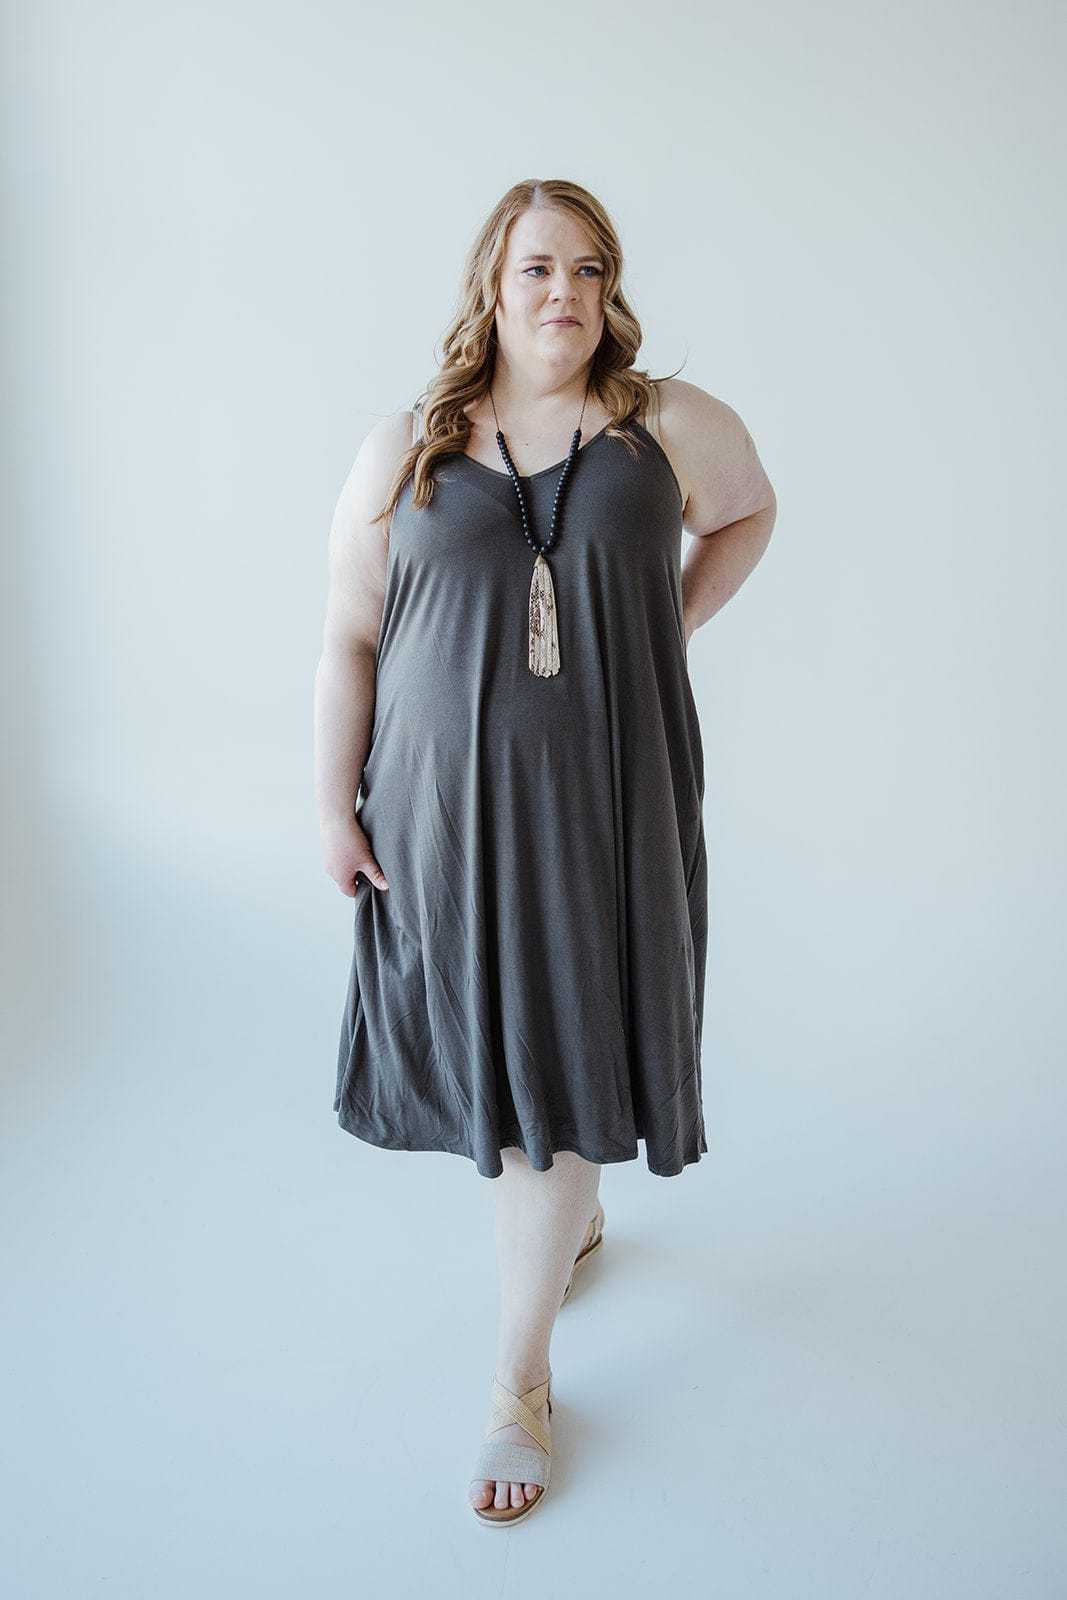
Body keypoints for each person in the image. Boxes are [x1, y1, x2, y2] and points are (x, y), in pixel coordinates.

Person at [313, 178, 776, 1526]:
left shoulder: (664, 426)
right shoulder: (406, 444)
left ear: (609, 290)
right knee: (501, 1046)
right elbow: (351, 632)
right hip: (440, 812)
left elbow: (749, 511)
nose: (562, 290)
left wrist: (662, 626)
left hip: (608, 800)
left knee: (566, 1046)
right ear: (492, 288)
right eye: (536, 268)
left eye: (587, 268)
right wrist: (332, 802)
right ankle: (569, 1228)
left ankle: (520, 1375)